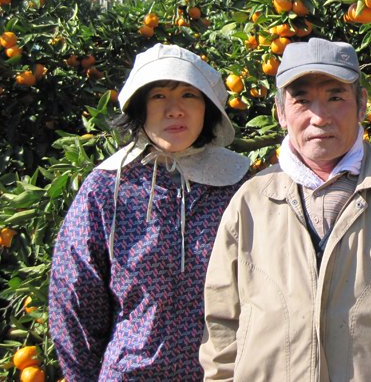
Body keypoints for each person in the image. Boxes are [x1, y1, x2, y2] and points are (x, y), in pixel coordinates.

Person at [200, 37, 371, 382]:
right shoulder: (251, 201)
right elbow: (222, 328)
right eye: (302, 101)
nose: (319, 117)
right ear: (280, 113)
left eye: (336, 98)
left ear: (362, 105)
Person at [50, 44, 250, 382]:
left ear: (208, 107)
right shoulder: (107, 189)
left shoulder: (238, 184)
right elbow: (74, 302)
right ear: (139, 106)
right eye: (159, 96)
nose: (175, 110)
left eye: (189, 94)